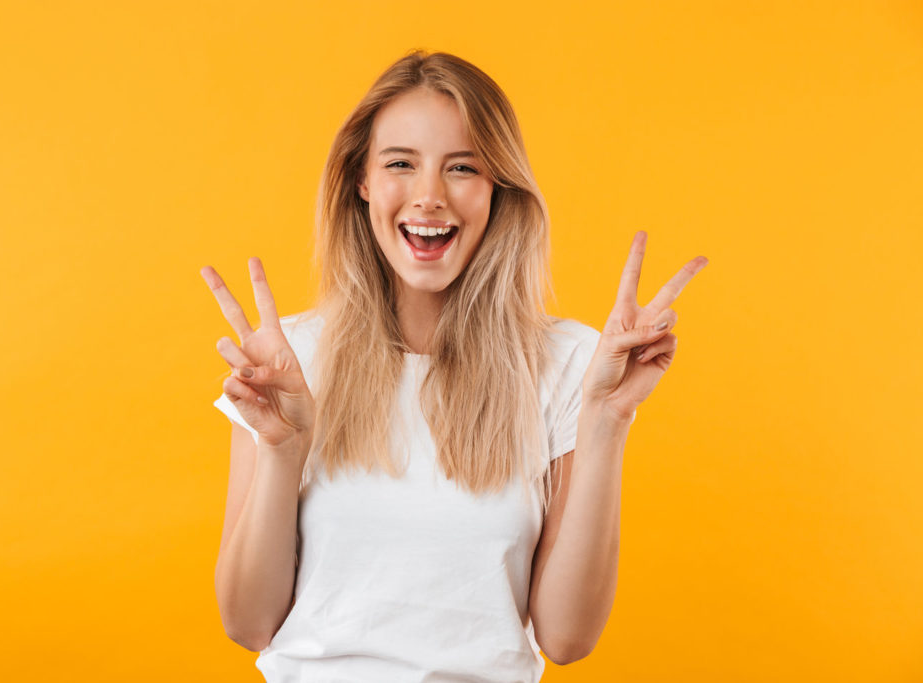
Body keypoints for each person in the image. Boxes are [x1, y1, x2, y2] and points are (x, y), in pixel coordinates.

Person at [200, 50, 707, 682]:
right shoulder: (289, 361)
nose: (430, 196)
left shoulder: (568, 364)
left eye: (462, 167)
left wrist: (606, 420)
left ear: (498, 187)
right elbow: (249, 624)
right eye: (400, 164)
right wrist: (281, 448)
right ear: (361, 181)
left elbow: (568, 637)